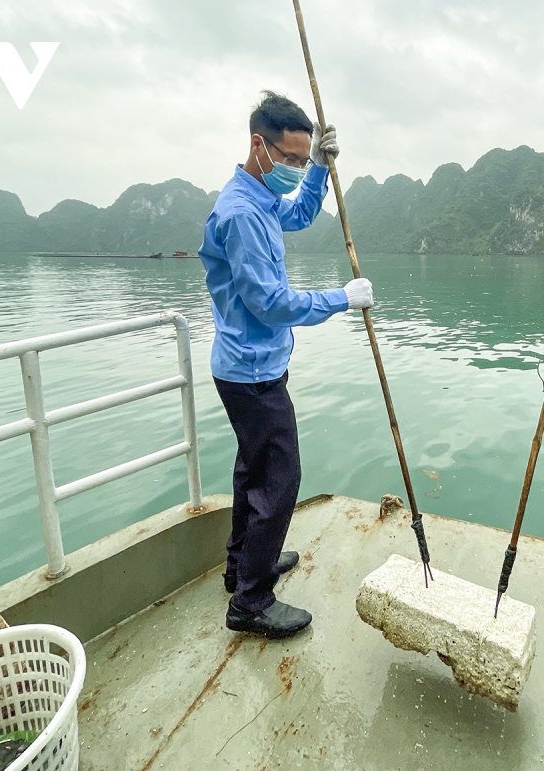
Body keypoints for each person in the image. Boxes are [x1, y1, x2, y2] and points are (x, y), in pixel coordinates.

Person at [199, 91, 373, 639]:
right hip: (252, 374)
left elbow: (298, 211)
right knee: (280, 479)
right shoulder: (241, 213)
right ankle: (251, 602)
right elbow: (270, 303)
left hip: (250, 366)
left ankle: (241, 566)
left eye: (302, 159)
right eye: (292, 159)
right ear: (259, 144)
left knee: (253, 472)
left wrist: (320, 169)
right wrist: (342, 299)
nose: (294, 169)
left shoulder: (259, 197)